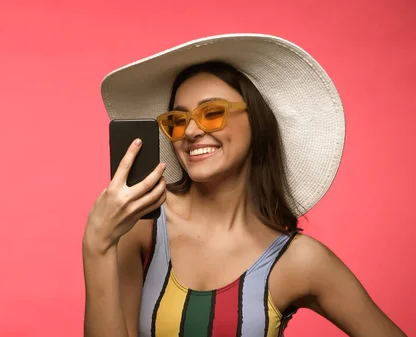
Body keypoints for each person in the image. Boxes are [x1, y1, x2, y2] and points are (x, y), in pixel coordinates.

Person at [82, 34, 406, 337]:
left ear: (257, 121)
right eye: (178, 121)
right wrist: (97, 246)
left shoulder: (298, 261)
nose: (191, 132)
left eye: (212, 113)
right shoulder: (143, 225)